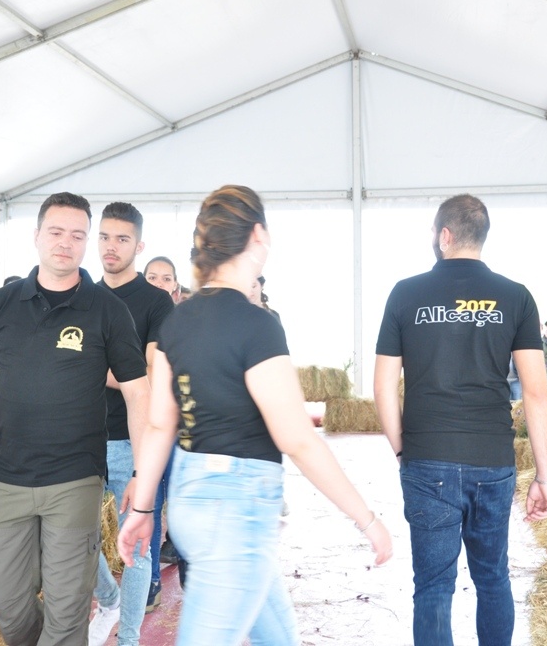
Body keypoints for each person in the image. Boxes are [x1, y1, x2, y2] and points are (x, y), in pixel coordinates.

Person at [118, 184, 392, 646]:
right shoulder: (257, 325)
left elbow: (162, 424)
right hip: (237, 506)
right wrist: (366, 518)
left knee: (278, 637)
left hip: (191, 496)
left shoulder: (176, 322)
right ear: (258, 235)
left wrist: (144, 508)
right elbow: (297, 439)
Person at [0, 192, 151, 645]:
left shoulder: (107, 309)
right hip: (8, 479)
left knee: (67, 611)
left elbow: (139, 392)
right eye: (56, 232)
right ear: (37, 235)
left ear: (87, 242)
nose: (66, 242)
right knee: (5, 602)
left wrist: (142, 472)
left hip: (75, 480)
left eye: (78, 235)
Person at [373, 194, 547, 646]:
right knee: (492, 577)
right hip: (491, 459)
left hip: (427, 457)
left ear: (444, 235)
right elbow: (536, 392)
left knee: (433, 586)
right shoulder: (515, 297)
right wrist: (544, 477)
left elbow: (382, 388)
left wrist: (403, 450)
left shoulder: (405, 293)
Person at [89, 202, 175, 646]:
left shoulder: (156, 302)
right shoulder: (81, 294)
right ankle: (108, 599)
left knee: (137, 548)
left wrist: (85, 365)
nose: (111, 246)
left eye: (122, 239)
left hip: (131, 440)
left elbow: (149, 375)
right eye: (104, 237)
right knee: (72, 539)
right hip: (82, 438)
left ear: (138, 246)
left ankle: (129, 639)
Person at [141, 254, 182, 609]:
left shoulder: (189, 324)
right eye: (151, 277)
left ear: (176, 287)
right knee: (151, 506)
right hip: (150, 430)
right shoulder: (133, 320)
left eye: (166, 278)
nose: (158, 283)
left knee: (183, 508)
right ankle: (152, 582)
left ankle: (191, 577)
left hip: (185, 433)